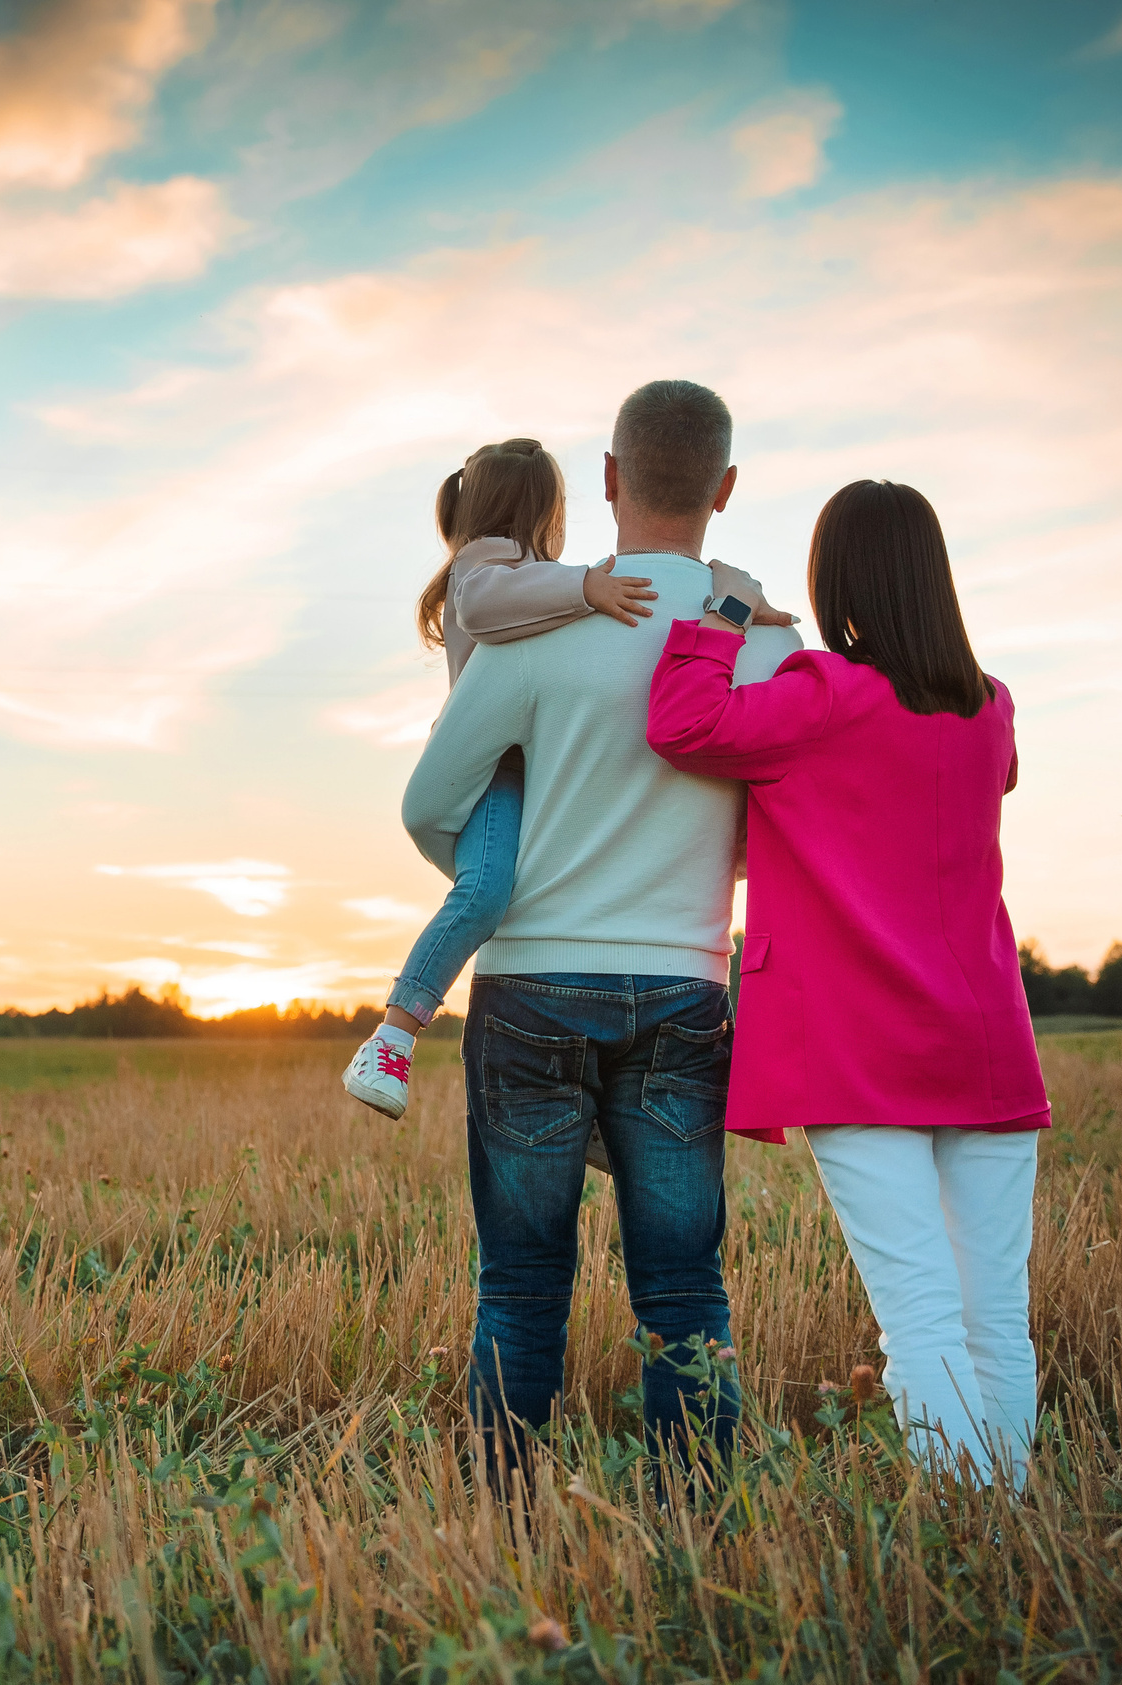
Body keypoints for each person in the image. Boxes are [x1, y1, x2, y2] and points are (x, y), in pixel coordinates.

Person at [399, 381, 799, 1478]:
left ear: (611, 479)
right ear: (722, 489)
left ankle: (500, 1513)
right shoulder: (767, 645)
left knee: (520, 1281)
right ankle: (698, 1512)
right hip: (683, 986)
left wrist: (501, 890)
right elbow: (783, 834)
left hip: (529, 987)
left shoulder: (544, 626)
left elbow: (427, 800)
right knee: (683, 1284)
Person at [645, 478, 1050, 1489]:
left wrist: (725, 612)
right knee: (994, 1312)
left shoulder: (825, 694)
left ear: (835, 579)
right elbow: (987, 780)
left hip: (858, 1048)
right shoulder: (989, 705)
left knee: (915, 1312)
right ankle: (1009, 1520)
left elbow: (682, 726)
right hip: (985, 1042)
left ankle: (967, 1528)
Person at [341, 437, 660, 1122]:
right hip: (497, 770)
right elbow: (486, 606)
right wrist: (586, 586)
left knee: (556, 899)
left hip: (542, 767)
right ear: (537, 504)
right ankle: (394, 1032)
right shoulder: (486, 562)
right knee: (485, 891)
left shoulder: (535, 571)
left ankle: (596, 1103)